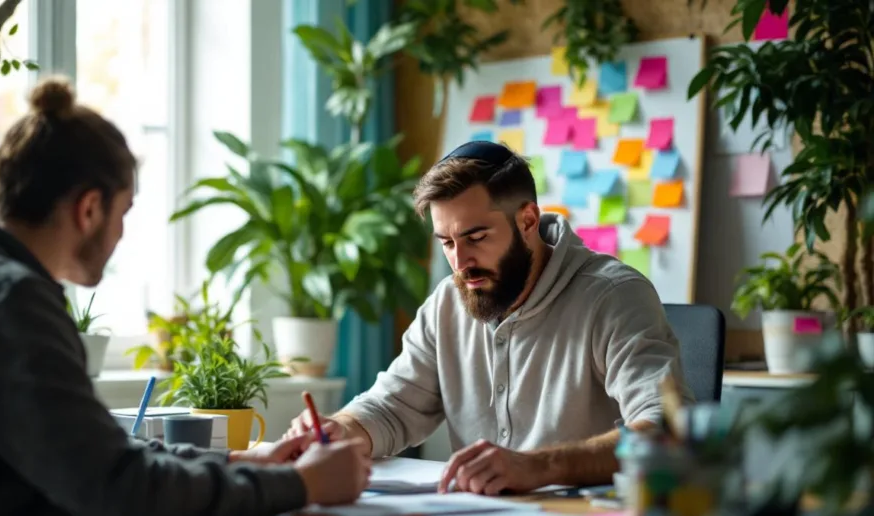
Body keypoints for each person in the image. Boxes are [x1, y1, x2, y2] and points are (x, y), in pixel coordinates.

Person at [0, 76, 369, 516]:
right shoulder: (7, 303)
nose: (121, 234)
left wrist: (242, 460)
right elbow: (122, 496)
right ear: (90, 208)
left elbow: (93, 453)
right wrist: (302, 484)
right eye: (124, 213)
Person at [286, 140, 693, 496]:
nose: (460, 262)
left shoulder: (614, 296)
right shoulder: (447, 303)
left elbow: (667, 430)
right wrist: (341, 428)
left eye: (476, 238)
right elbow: (393, 407)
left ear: (528, 221)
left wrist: (537, 466)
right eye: (446, 242)